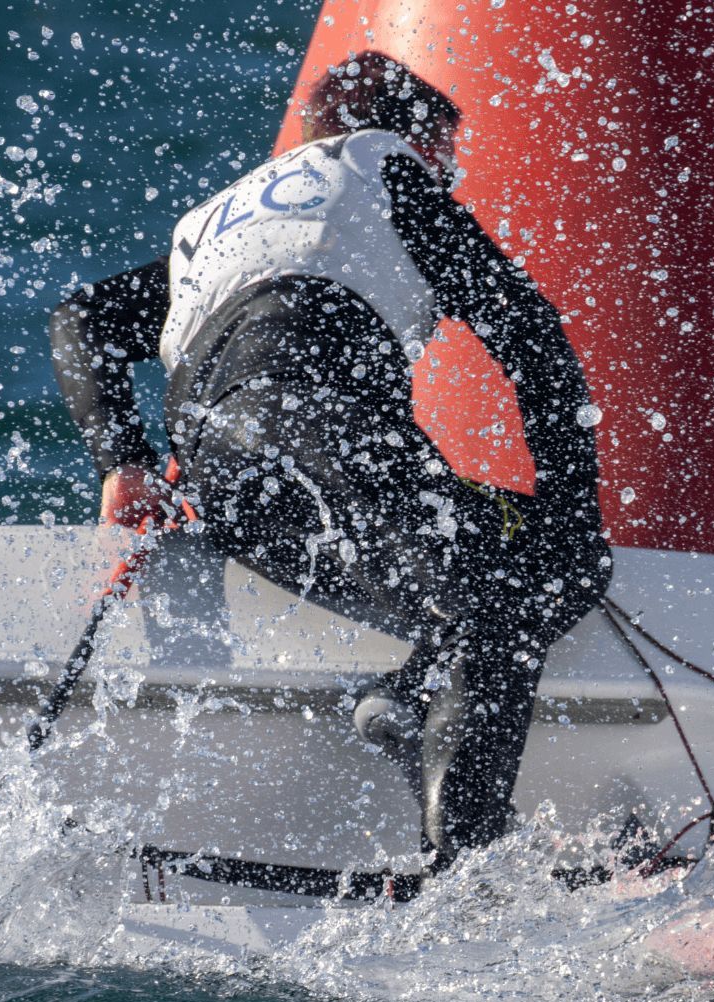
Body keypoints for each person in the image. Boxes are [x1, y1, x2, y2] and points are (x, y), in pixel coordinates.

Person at [48, 52, 610, 874]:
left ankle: (415, 695)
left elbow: (81, 321)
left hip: (221, 475)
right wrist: (571, 499)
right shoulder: (381, 170)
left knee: (459, 592)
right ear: (409, 141)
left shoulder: (215, 222)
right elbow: (531, 338)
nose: (448, 183)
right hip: (316, 423)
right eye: (445, 161)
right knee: (548, 564)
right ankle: (468, 871)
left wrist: (124, 464)